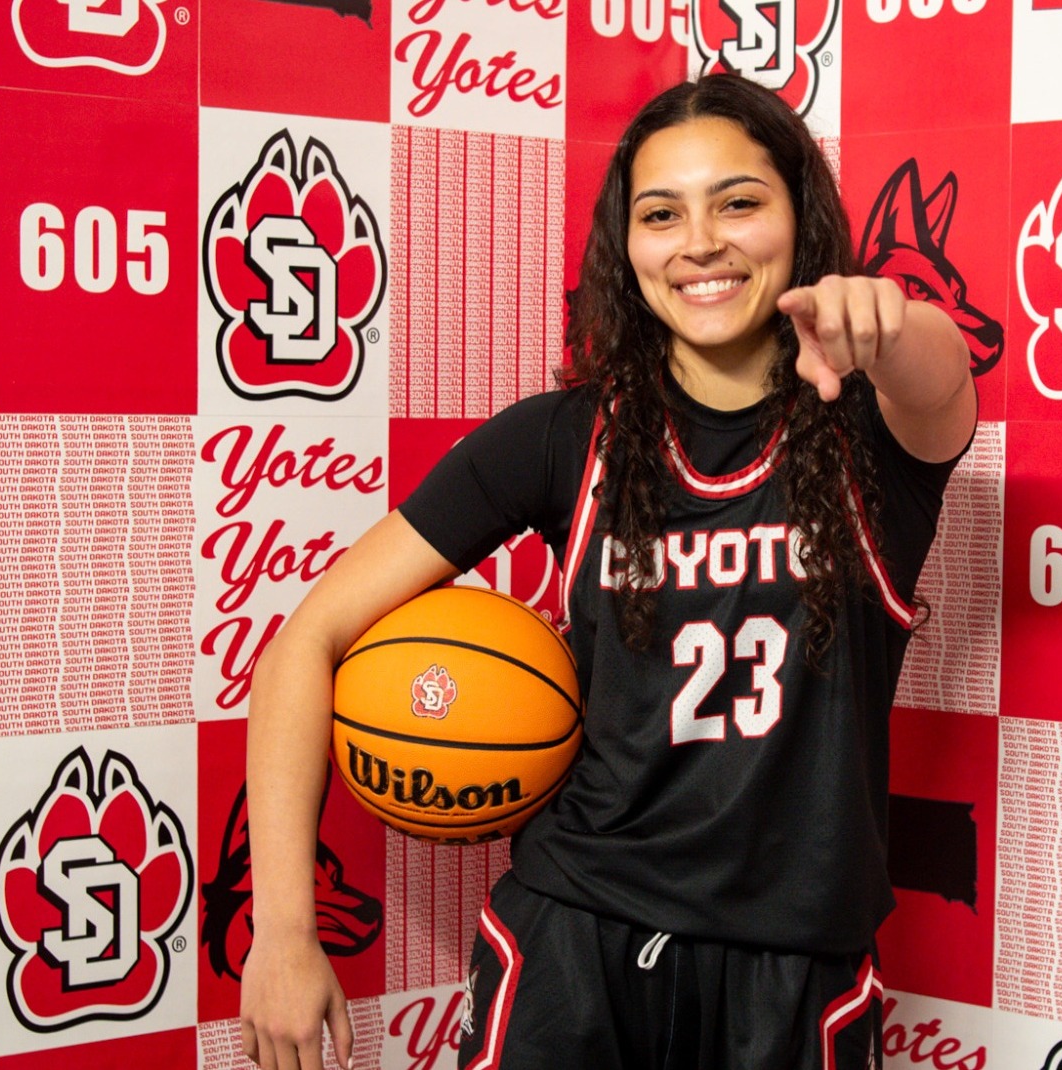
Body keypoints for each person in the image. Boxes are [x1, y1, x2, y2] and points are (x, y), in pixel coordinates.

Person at [239, 73, 976, 1070]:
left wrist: (890, 321)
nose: (699, 241)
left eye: (739, 202)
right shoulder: (562, 439)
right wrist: (283, 927)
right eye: (660, 213)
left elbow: (940, 383)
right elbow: (305, 641)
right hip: (573, 943)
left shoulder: (869, 438)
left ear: (801, 219)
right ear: (626, 250)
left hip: (792, 970)